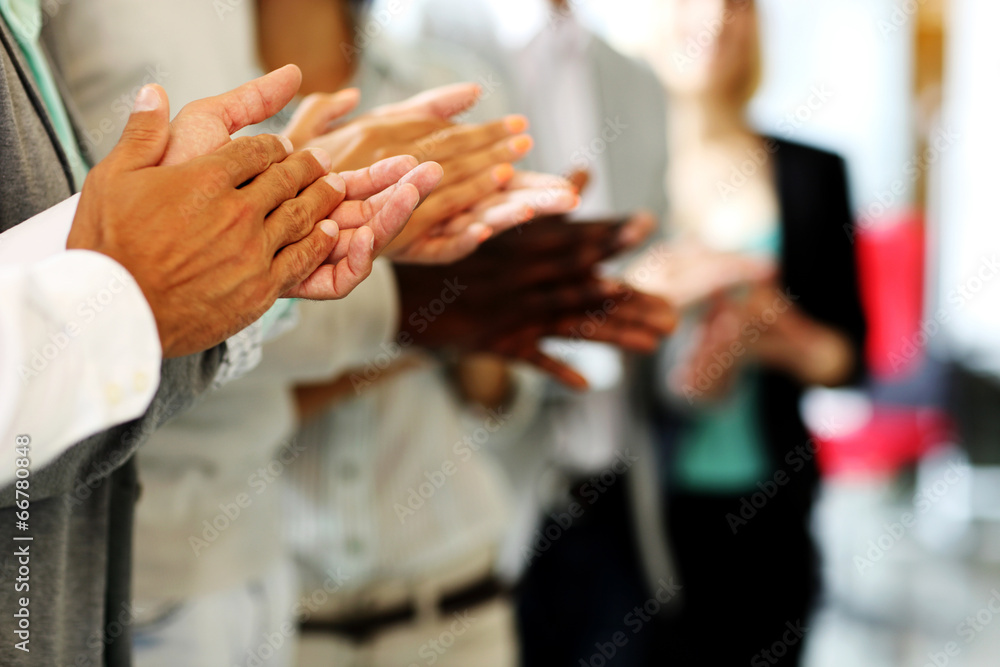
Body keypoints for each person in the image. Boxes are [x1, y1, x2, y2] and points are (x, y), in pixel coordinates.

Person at [0, 4, 431, 661]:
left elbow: (57, 277)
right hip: (145, 579)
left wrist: (251, 229)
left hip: (164, 568)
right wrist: (129, 281)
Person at [413, 0, 675, 663]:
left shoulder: (638, 81)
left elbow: (654, 264)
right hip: (477, 503)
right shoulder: (422, 46)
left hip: (617, 496)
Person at [625, 0, 867, 663]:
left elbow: (852, 356)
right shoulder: (620, 177)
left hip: (772, 509)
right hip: (638, 519)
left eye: (734, 5)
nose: (712, 20)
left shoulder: (813, 173)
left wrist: (782, 336)